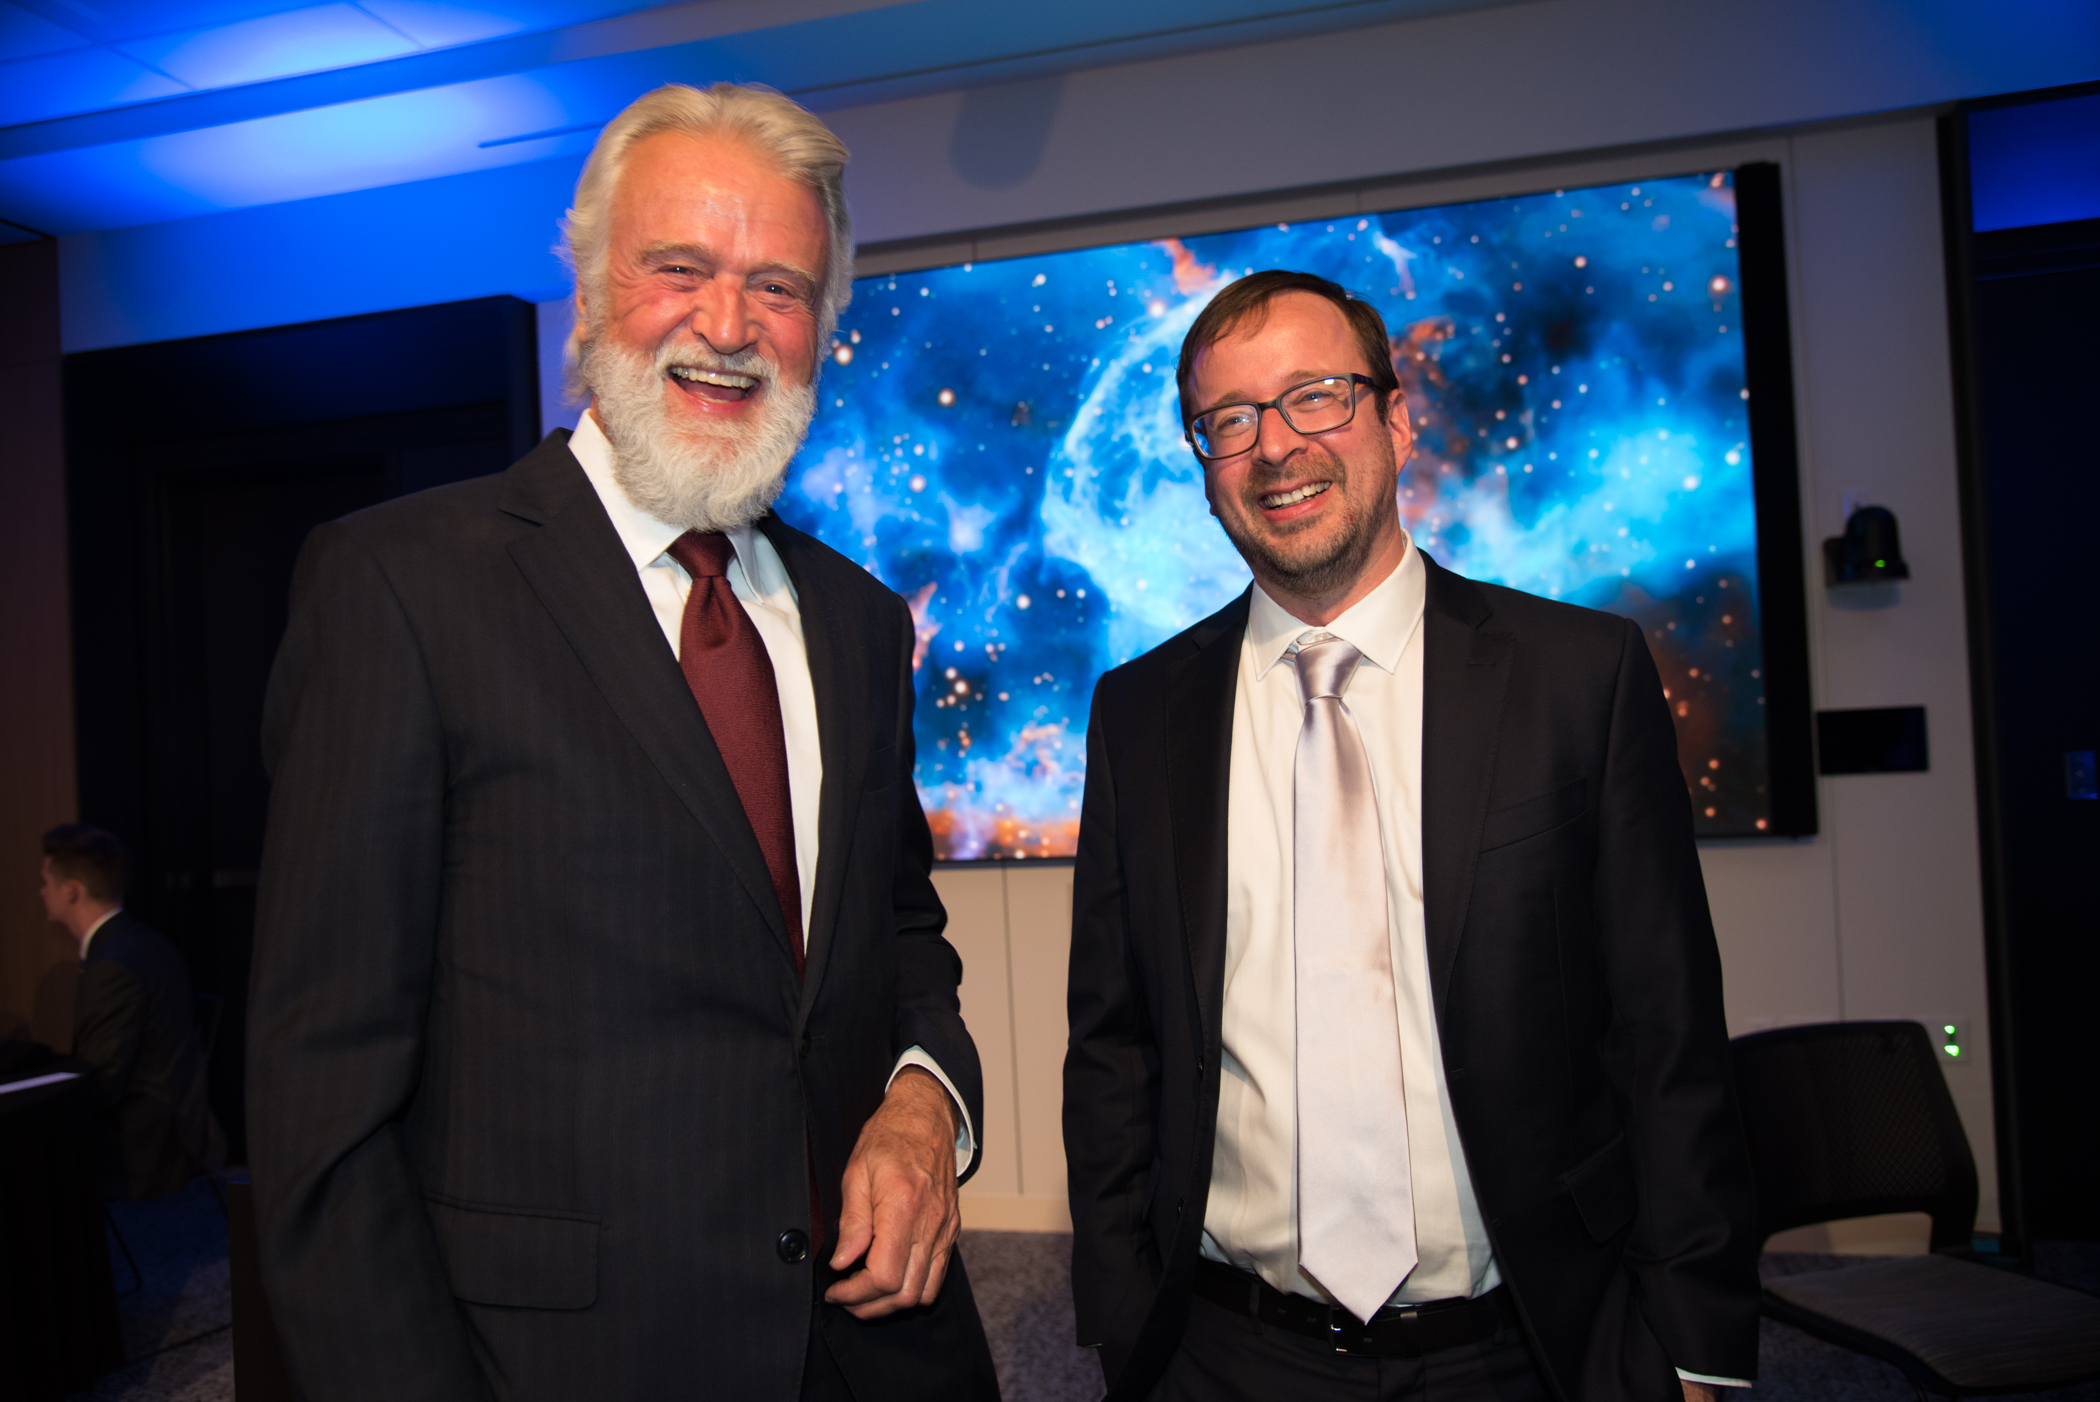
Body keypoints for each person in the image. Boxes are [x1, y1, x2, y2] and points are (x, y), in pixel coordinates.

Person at [249, 83, 998, 1401]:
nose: (727, 326)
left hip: (876, 1352)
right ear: (591, 294)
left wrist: (928, 1096)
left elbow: (902, 933)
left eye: (778, 285)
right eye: (679, 270)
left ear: (824, 327)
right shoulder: (402, 588)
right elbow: (320, 1108)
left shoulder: (861, 622)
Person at [1063, 270, 1759, 1401]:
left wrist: (1696, 1343)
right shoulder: (1140, 715)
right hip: (1223, 1352)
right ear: (1203, 470)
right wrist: (1121, 1315)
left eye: (1315, 398)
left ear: (1394, 417)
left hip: (1523, 1344)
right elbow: (1113, 1041)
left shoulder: (1578, 679)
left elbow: (1667, 1031)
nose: (1275, 447)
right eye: (1228, 421)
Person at [39, 824, 222, 1200]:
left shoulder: (111, 965)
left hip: (143, 1148)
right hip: (176, 1126)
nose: (40, 891)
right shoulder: (146, 942)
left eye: (45, 881)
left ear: (71, 890)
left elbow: (103, 1085)